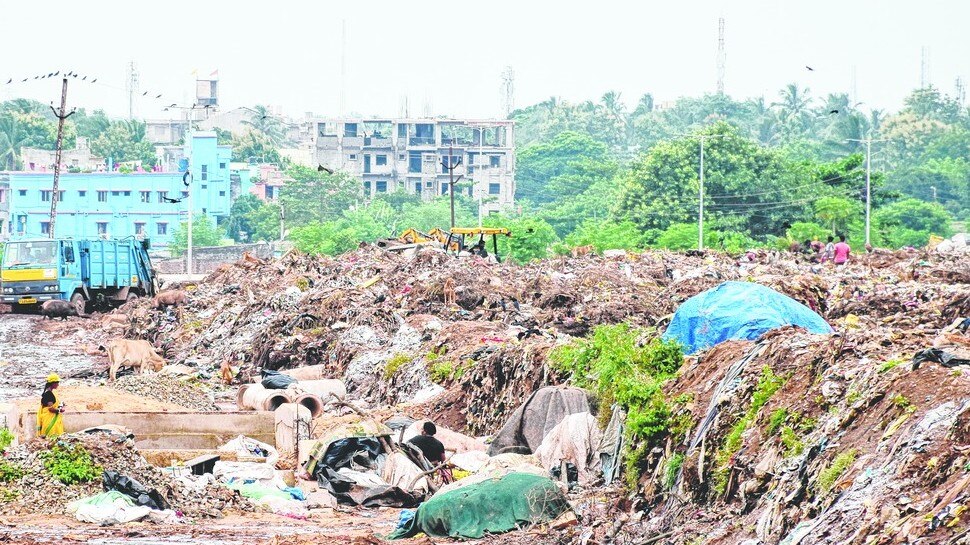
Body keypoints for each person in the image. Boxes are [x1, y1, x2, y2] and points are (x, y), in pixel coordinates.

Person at [37, 373, 65, 438]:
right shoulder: (49, 394)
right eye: (57, 382)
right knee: (51, 438)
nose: (58, 384)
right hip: (50, 421)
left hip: (48, 419)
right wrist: (60, 410)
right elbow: (51, 409)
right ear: (53, 383)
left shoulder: (48, 393)